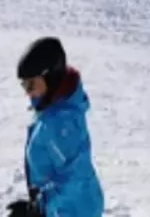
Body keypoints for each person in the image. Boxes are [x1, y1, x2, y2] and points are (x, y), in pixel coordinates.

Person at [7, 37, 103, 217]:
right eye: (24, 85)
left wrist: (39, 206)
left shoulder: (62, 123)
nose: (27, 92)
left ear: (50, 77)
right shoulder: (52, 109)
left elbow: (76, 178)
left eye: (31, 84)